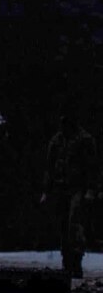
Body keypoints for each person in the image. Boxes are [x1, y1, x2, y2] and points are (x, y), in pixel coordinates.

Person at [41, 113, 98, 278]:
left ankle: (76, 263)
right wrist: (46, 189)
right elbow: (50, 166)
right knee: (63, 225)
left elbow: (91, 167)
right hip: (60, 187)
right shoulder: (57, 140)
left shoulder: (84, 140)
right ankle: (67, 263)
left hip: (77, 188)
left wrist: (91, 190)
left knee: (75, 224)